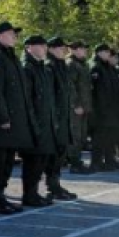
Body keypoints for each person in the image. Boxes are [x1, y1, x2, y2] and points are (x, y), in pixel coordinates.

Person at [0, 22, 32, 215]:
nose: (15, 37)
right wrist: (2, 117)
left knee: (8, 162)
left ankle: (0, 197)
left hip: (13, 122)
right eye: (11, 34)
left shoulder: (10, 57)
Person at [18, 35, 57, 207]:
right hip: (33, 124)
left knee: (41, 161)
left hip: (44, 122)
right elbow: (27, 100)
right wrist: (33, 123)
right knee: (32, 162)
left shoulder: (41, 67)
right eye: (41, 45)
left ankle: (34, 193)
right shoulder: (27, 68)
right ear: (29, 48)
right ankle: (29, 195)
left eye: (45, 45)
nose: (44, 48)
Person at [44, 38, 77, 200]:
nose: (63, 51)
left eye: (64, 48)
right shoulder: (49, 67)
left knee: (61, 152)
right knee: (54, 154)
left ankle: (55, 184)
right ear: (50, 49)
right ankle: (52, 186)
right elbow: (50, 96)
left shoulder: (61, 66)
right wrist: (55, 118)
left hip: (64, 117)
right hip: (55, 118)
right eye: (60, 48)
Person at [89, 45, 119, 170]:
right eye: (105, 52)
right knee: (99, 138)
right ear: (98, 53)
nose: (108, 54)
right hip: (100, 110)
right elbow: (95, 91)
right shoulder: (96, 68)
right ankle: (96, 162)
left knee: (110, 137)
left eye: (109, 52)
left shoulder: (109, 68)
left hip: (112, 109)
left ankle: (109, 160)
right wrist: (99, 108)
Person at [65, 41, 93, 175]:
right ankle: (74, 163)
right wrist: (76, 105)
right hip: (76, 108)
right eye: (82, 49)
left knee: (82, 136)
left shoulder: (83, 64)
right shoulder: (71, 65)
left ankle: (77, 161)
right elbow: (70, 87)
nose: (85, 51)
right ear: (74, 50)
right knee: (75, 136)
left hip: (84, 107)